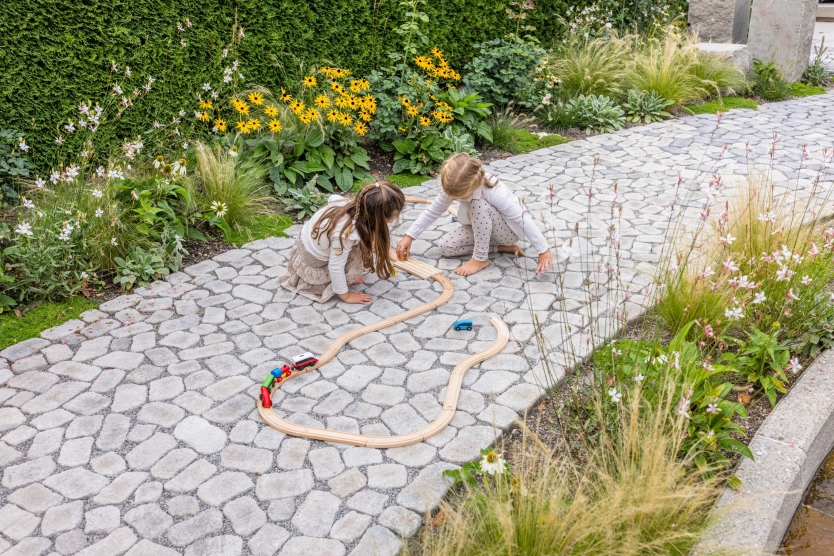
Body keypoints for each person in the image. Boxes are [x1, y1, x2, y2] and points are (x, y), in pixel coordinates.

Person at [396, 152, 552, 276]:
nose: (454, 199)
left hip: (506, 232)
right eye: (452, 196)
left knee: (478, 204)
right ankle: (498, 248)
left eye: (460, 196)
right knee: (446, 247)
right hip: (482, 229)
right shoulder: (454, 188)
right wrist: (410, 236)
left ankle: (480, 258)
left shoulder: (492, 190)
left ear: (477, 184)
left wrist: (543, 250)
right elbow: (434, 210)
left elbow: (522, 218)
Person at [279, 180, 405, 304]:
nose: (394, 220)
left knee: (360, 244)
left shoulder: (345, 202)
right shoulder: (346, 235)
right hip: (313, 260)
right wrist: (346, 296)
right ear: (378, 219)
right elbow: (335, 267)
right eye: (394, 217)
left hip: (304, 244)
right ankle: (335, 282)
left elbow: (331, 198)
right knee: (357, 253)